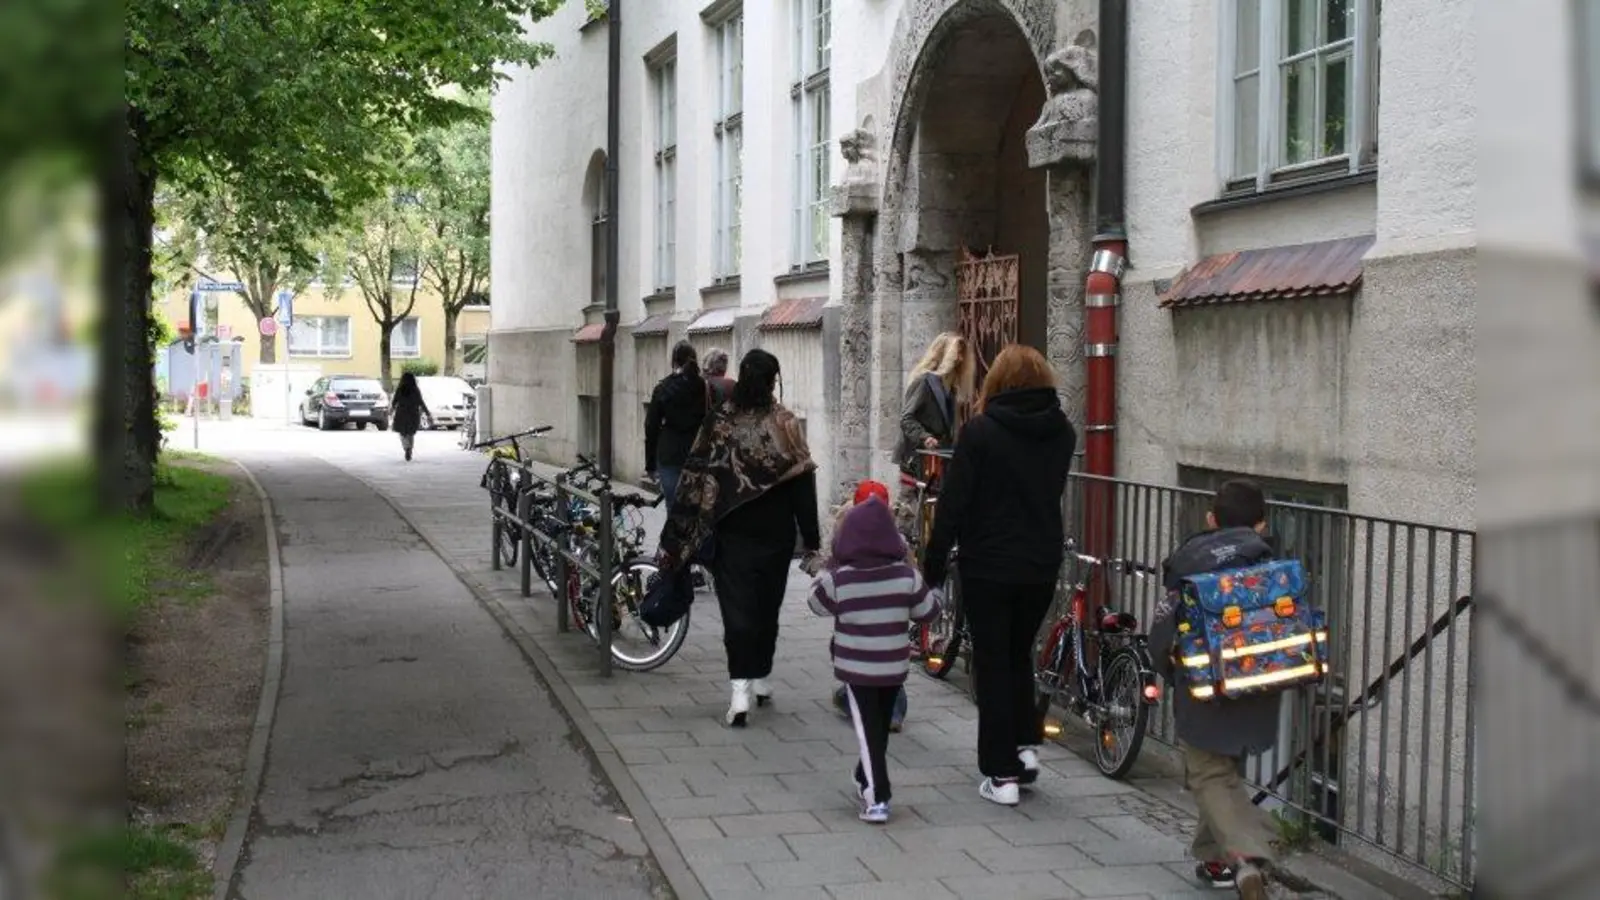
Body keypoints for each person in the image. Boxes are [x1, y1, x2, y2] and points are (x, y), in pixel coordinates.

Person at [921, 344, 1077, 806]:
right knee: (1017, 654)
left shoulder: (981, 432)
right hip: (1040, 560)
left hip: (988, 562)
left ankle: (1000, 771)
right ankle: (1025, 746)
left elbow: (954, 503)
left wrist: (932, 566)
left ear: (997, 383)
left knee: (992, 662)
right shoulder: (1062, 432)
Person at [656, 349, 822, 726]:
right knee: (767, 607)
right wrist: (811, 538)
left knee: (737, 610)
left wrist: (682, 530)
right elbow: (803, 484)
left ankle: (741, 688)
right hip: (777, 533)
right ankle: (758, 676)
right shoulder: (785, 422)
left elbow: (696, 476)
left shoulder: (720, 422)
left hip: (733, 531)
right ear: (773, 381)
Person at [1147, 480, 1278, 900]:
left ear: (1210, 519)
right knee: (1224, 768)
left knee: (1208, 771)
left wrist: (1168, 671)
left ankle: (1246, 858)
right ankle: (1213, 858)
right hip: (1259, 685)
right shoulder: (1270, 565)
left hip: (1204, 686)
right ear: (1261, 524)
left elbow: (1161, 631)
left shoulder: (1191, 562)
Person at [807, 496, 941, 824]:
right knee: (877, 727)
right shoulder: (906, 576)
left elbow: (816, 603)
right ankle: (863, 776)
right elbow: (928, 611)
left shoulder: (840, 578)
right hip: (893, 667)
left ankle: (877, 797)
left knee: (868, 730)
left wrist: (828, 567)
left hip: (857, 670)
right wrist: (934, 590)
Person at [829, 480, 911, 731]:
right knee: (890, 662)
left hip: (855, 623)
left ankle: (855, 699)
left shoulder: (844, 539)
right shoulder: (898, 542)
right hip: (891, 625)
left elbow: (827, 587)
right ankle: (892, 713)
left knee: (847, 654)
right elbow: (914, 577)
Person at [894, 332, 975, 538]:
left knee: (933, 516)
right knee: (910, 516)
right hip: (917, 461)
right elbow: (906, 418)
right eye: (957, 353)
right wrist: (925, 437)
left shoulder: (951, 389)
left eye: (962, 354)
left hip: (937, 463)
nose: (960, 359)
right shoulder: (924, 382)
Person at [644, 341, 708, 506]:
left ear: (674, 361)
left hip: (669, 453)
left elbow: (651, 426)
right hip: (696, 453)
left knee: (673, 508)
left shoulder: (663, 387)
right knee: (695, 508)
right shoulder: (703, 387)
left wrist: (650, 464)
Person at [390, 372, 432, 462]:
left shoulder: (400, 389)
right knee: (410, 433)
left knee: (402, 433)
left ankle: (406, 447)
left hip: (401, 414)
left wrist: (391, 410)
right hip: (413, 414)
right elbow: (421, 402)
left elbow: (394, 401)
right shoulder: (415, 390)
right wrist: (428, 413)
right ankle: (409, 448)